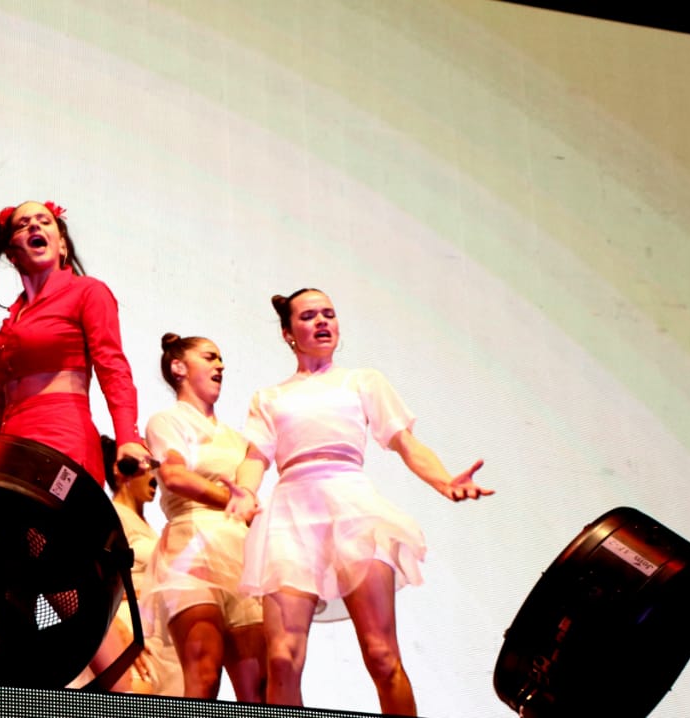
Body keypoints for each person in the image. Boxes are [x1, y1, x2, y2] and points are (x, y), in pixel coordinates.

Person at [227, 288, 492, 714]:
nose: (321, 322)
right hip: (290, 517)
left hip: (352, 507)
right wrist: (244, 491)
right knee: (281, 659)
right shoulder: (269, 397)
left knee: (382, 655)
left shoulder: (362, 381)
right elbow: (255, 457)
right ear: (287, 332)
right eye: (309, 315)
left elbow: (406, 443)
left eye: (328, 314)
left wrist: (444, 481)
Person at [0, 165, 152, 486]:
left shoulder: (87, 292)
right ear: (11, 254)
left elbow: (113, 368)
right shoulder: (10, 321)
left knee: (50, 534)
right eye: (22, 224)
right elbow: (1, 405)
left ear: (63, 245)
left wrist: (128, 436)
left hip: (62, 439)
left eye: (44, 221)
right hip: (10, 448)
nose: (34, 226)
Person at [144, 333, 266, 701]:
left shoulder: (237, 439)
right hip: (191, 548)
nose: (221, 365)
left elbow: (249, 491)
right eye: (210, 357)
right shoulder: (167, 422)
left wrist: (244, 501)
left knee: (258, 686)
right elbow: (175, 476)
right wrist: (230, 498)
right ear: (178, 367)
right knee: (204, 672)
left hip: (239, 551)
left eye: (222, 359)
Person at [100, 436, 184, 697]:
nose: (154, 473)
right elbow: (96, 582)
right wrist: (120, 633)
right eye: (146, 465)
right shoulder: (111, 517)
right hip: (128, 623)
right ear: (120, 468)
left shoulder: (148, 528)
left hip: (158, 630)